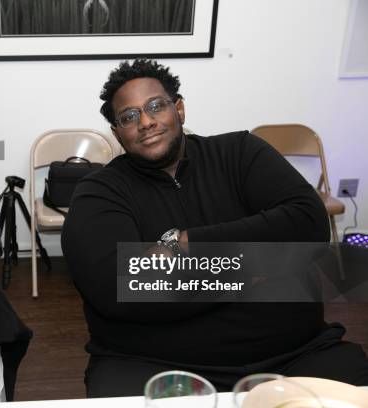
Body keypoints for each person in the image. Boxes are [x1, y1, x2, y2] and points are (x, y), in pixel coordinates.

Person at [61, 59, 368, 397]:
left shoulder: (240, 152)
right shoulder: (99, 191)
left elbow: (309, 227)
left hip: (295, 357)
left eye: (156, 106)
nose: (146, 122)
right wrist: (256, 265)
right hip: (152, 364)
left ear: (179, 109)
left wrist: (185, 244)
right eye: (129, 117)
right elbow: (119, 285)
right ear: (118, 133)